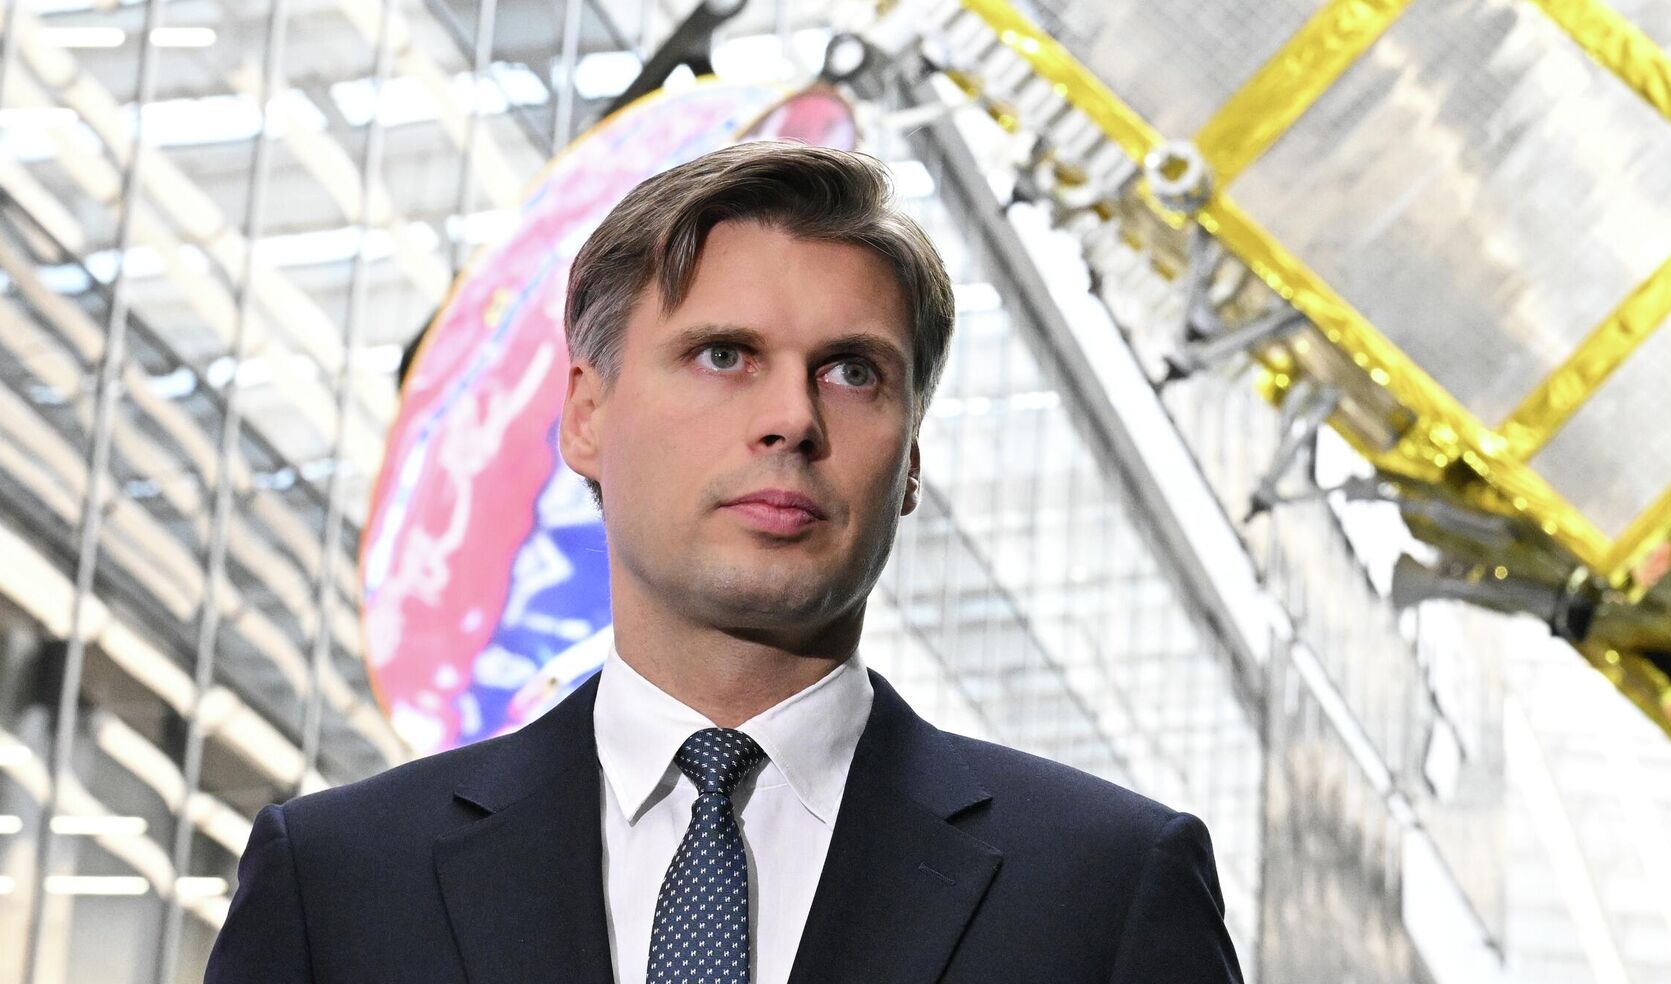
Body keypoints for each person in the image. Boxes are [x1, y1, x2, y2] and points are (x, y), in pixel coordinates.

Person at [206, 140, 1243, 983]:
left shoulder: (1106, 889)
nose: (792, 417)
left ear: (912, 461)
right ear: (586, 415)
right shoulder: (338, 884)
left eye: (852, 372)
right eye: (724, 355)